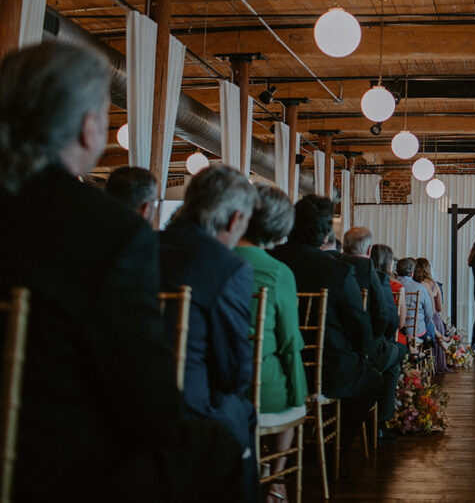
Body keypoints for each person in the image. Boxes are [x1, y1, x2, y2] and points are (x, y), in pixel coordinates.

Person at [0, 42, 243, 501]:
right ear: (90, 127)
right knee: (220, 447)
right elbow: (147, 408)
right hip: (56, 469)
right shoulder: (107, 230)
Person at [159, 164, 260, 501]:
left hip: (120, 395)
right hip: (187, 412)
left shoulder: (144, 244)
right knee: (242, 412)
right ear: (235, 220)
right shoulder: (228, 267)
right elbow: (234, 373)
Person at [270, 196, 383, 457]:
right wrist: (362, 354)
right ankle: (332, 448)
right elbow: (359, 325)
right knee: (373, 382)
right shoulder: (337, 270)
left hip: (279, 365)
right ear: (325, 233)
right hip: (326, 371)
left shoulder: (272, 260)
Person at [233, 183, 307, 503]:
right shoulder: (278, 272)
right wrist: (299, 391)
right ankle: (276, 481)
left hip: (214, 380)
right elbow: (290, 340)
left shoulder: (216, 257)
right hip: (258, 385)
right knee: (292, 397)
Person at [337, 226, 406, 423]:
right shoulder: (373, 274)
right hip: (365, 347)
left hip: (336, 346)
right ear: (368, 251)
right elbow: (389, 318)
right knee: (398, 353)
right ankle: (381, 423)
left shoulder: (333, 267)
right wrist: (375, 337)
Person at [413, 257, 450, 373]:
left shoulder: (412, 284)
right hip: (433, 320)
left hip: (416, 321)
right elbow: (439, 308)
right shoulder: (433, 284)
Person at [371, 243, 407, 339]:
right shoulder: (397, 287)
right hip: (389, 336)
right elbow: (401, 323)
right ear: (387, 262)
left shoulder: (362, 280)